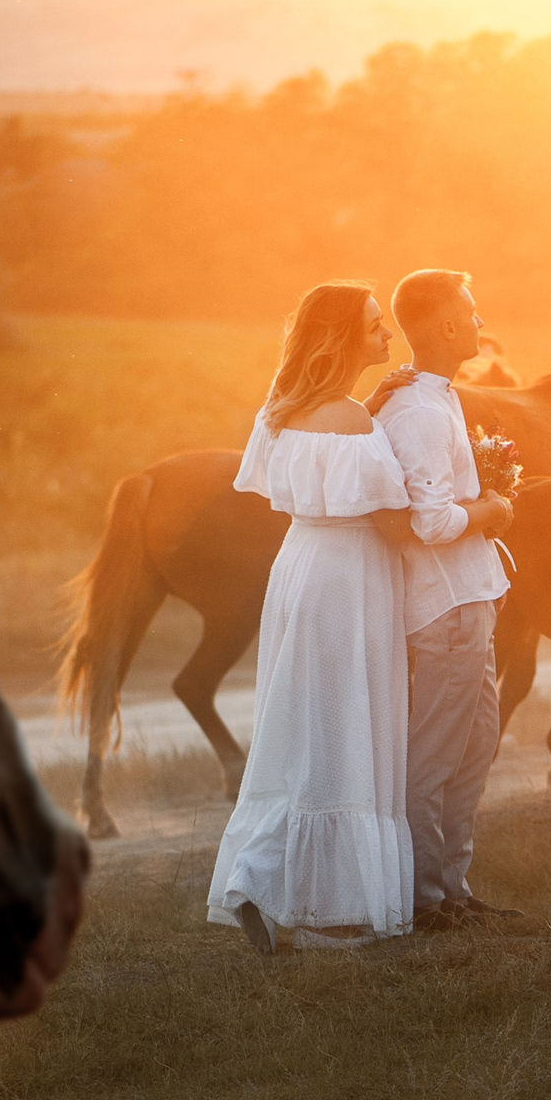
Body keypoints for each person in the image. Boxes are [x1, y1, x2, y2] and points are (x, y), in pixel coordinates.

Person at [205, 283, 437, 953]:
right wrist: (476, 505)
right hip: (350, 578)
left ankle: (259, 875)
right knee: (345, 727)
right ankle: (328, 913)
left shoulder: (283, 412)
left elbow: (323, 470)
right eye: (374, 327)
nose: (387, 336)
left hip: (301, 564)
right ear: (343, 339)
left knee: (298, 727)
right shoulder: (357, 426)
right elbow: (394, 523)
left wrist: (371, 403)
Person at [370, 269, 520, 930]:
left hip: (472, 599)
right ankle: (425, 898)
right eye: (473, 308)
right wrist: (493, 507)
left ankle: (452, 886)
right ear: (447, 326)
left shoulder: (437, 398)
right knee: (435, 755)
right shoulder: (419, 411)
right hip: (446, 608)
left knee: (478, 742)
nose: (481, 320)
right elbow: (430, 522)